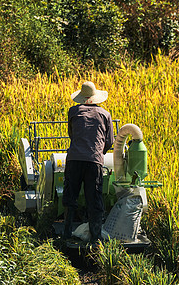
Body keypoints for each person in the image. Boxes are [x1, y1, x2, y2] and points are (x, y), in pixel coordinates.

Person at [62, 81, 114, 243]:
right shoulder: (105, 114)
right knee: (94, 198)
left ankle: (66, 233)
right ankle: (95, 238)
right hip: (94, 161)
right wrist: (99, 153)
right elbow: (110, 141)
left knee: (71, 197)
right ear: (96, 98)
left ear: (81, 98)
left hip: (74, 160)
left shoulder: (73, 111)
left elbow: (72, 134)